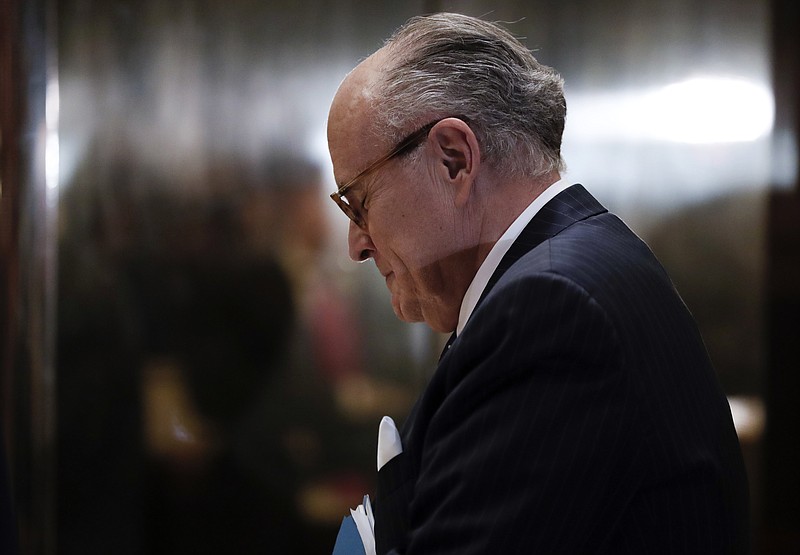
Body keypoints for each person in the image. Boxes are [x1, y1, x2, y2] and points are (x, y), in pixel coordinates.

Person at [326, 12, 750, 555]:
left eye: (357, 203)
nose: (356, 243)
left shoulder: (549, 309)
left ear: (453, 159)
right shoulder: (583, 260)